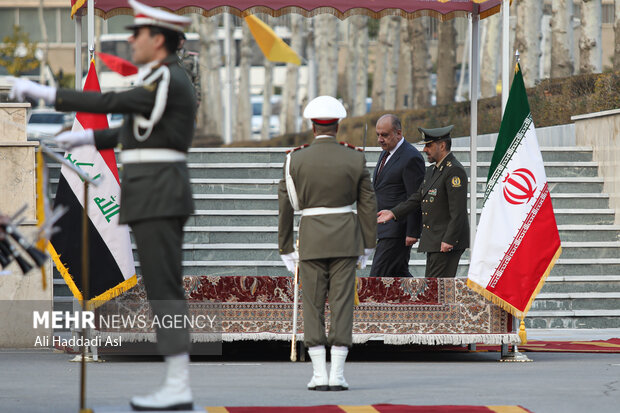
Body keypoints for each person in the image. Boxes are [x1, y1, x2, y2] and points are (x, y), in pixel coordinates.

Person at [10, 0, 196, 410]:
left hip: (161, 191)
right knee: (162, 287)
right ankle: (175, 381)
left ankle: (178, 382)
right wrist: (87, 140)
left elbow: (117, 105)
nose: (131, 41)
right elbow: (130, 132)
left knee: (165, 288)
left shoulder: (168, 79)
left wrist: (47, 92)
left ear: (159, 39)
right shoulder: (162, 80)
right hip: (149, 191)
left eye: (138, 34)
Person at [278, 95, 376, 391]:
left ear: (312, 127)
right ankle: (338, 374)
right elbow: (368, 205)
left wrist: (285, 247)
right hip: (346, 240)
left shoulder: (295, 158)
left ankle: (319, 374)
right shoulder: (355, 157)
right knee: (342, 304)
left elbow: (285, 205)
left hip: (311, 241)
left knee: (312, 305)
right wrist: (368, 244)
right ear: (337, 125)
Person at [377, 125, 469, 278]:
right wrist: (392, 213)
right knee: (433, 291)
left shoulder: (454, 171)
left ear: (442, 145)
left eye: (429, 145)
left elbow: (458, 211)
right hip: (434, 241)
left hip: (445, 242)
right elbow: (416, 198)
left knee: (437, 292)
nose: (425, 150)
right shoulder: (432, 171)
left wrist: (449, 240)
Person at [369, 114, 425, 277]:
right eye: (378, 134)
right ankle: (421, 301)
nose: (380, 139)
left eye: (384, 135)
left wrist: (413, 232)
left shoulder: (411, 157)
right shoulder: (386, 152)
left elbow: (415, 197)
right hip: (384, 228)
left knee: (376, 279)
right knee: (399, 275)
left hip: (397, 230)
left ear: (398, 133)